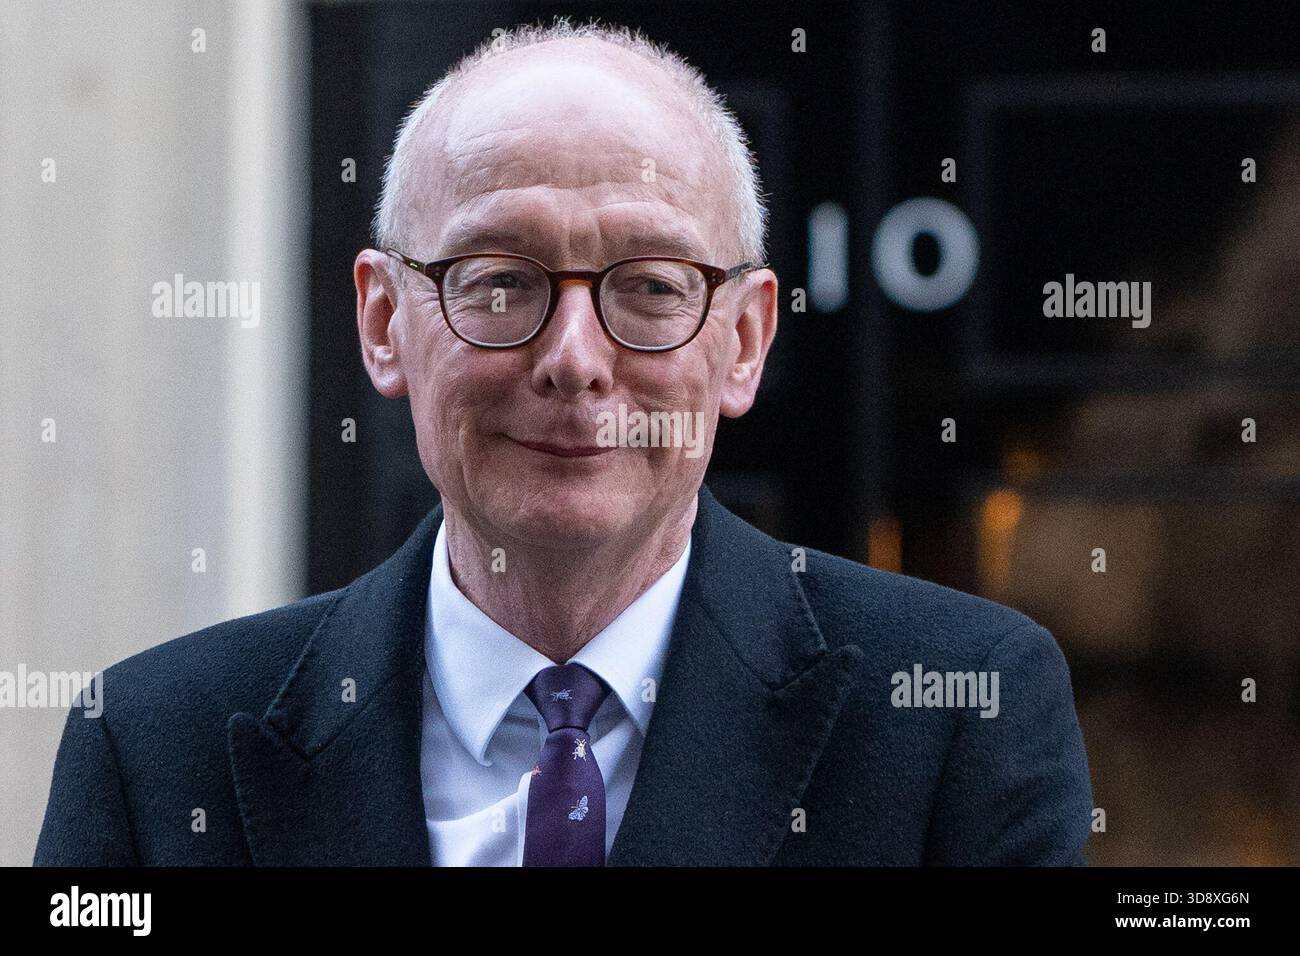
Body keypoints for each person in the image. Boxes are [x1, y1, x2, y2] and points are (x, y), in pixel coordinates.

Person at [35, 20, 1092, 866]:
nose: (575, 358)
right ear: (381, 322)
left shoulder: (957, 712)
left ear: (745, 341)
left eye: (649, 286)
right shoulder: (152, 746)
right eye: (499, 281)